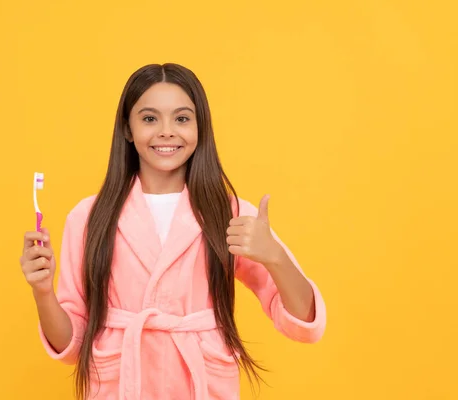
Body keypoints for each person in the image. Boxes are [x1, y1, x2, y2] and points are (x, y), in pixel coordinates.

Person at [19, 63, 326, 400]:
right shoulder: (89, 217)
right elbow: (72, 346)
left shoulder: (231, 214)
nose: (166, 131)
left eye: (182, 118)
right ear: (127, 128)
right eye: (150, 118)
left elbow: (304, 324)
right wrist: (43, 292)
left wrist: (275, 257)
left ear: (200, 127)